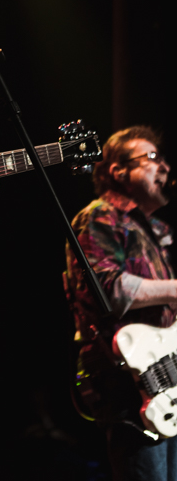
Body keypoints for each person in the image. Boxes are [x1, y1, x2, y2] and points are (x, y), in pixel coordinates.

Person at [65, 125, 177, 480]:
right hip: (126, 380)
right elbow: (106, 288)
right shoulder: (100, 216)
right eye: (152, 158)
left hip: (163, 377)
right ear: (119, 171)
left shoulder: (152, 230)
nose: (165, 167)